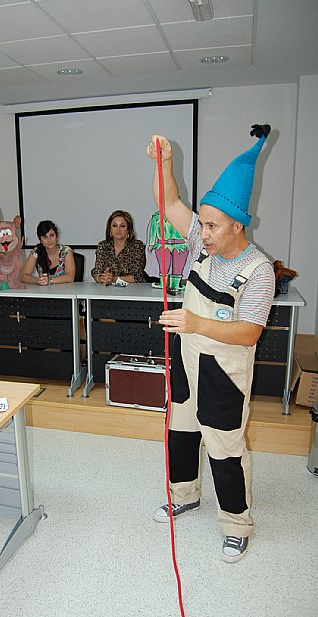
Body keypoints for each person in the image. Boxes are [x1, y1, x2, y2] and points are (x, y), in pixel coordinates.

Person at [147, 124, 275, 563]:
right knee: (181, 433)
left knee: (225, 448)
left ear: (237, 225)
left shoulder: (258, 271)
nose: (202, 233)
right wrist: (164, 163)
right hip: (187, 359)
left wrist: (197, 323)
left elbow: (250, 332)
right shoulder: (202, 244)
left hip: (224, 372)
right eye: (201, 223)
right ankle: (184, 496)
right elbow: (169, 203)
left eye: (212, 226)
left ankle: (236, 524)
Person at [91, 210, 146, 285]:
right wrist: (101, 278)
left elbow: (137, 276)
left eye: (122, 226)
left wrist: (115, 279)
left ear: (128, 230)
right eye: (114, 226)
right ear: (110, 229)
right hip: (108, 289)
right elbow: (97, 271)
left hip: (134, 288)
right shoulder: (103, 246)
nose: (118, 229)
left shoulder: (137, 246)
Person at [20, 220, 75, 285]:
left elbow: (70, 277)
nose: (49, 240)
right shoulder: (36, 252)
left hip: (66, 290)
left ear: (57, 236)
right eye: (45, 237)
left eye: (52, 235)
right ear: (40, 240)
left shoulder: (66, 251)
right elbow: (23, 277)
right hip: (44, 290)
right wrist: (37, 280)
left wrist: (50, 281)